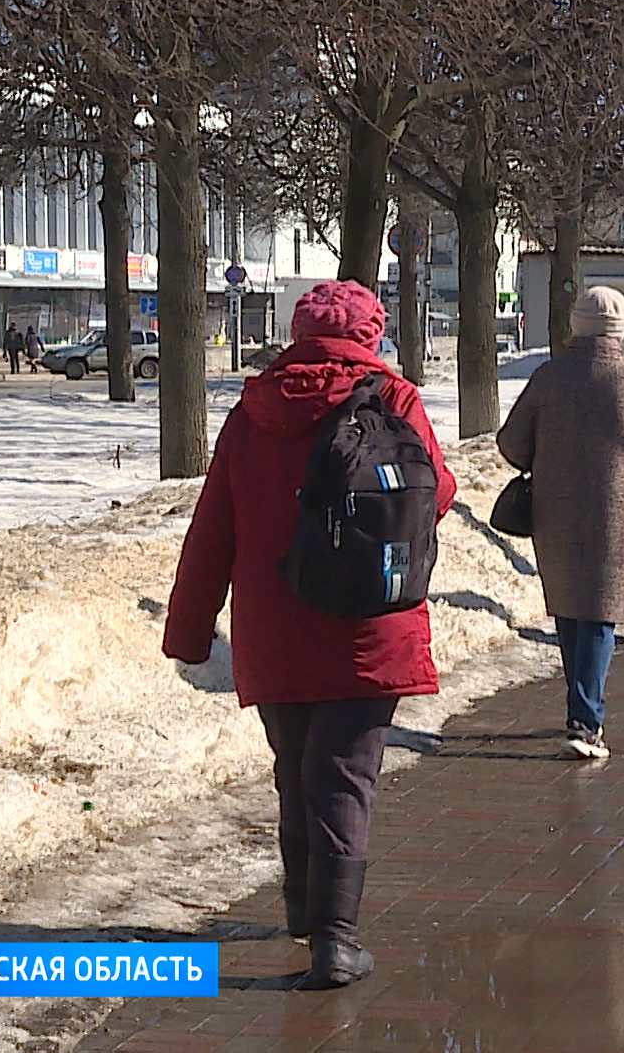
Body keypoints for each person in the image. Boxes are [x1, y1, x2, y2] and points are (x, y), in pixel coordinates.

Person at [162, 280, 457, 989]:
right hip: (367, 619)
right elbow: (437, 492)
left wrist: (190, 630)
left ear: (298, 333)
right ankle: (336, 938)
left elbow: (213, 528)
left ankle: (303, 909)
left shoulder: (253, 410)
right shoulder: (394, 400)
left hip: (275, 623)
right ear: (370, 334)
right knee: (345, 778)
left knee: (296, 771)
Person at [500, 286, 624, 760]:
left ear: (575, 324)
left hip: (552, 509)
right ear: (623, 328)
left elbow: (511, 444)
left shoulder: (547, 377)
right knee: (600, 612)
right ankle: (585, 720)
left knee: (569, 610)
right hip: (617, 513)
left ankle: (579, 709)